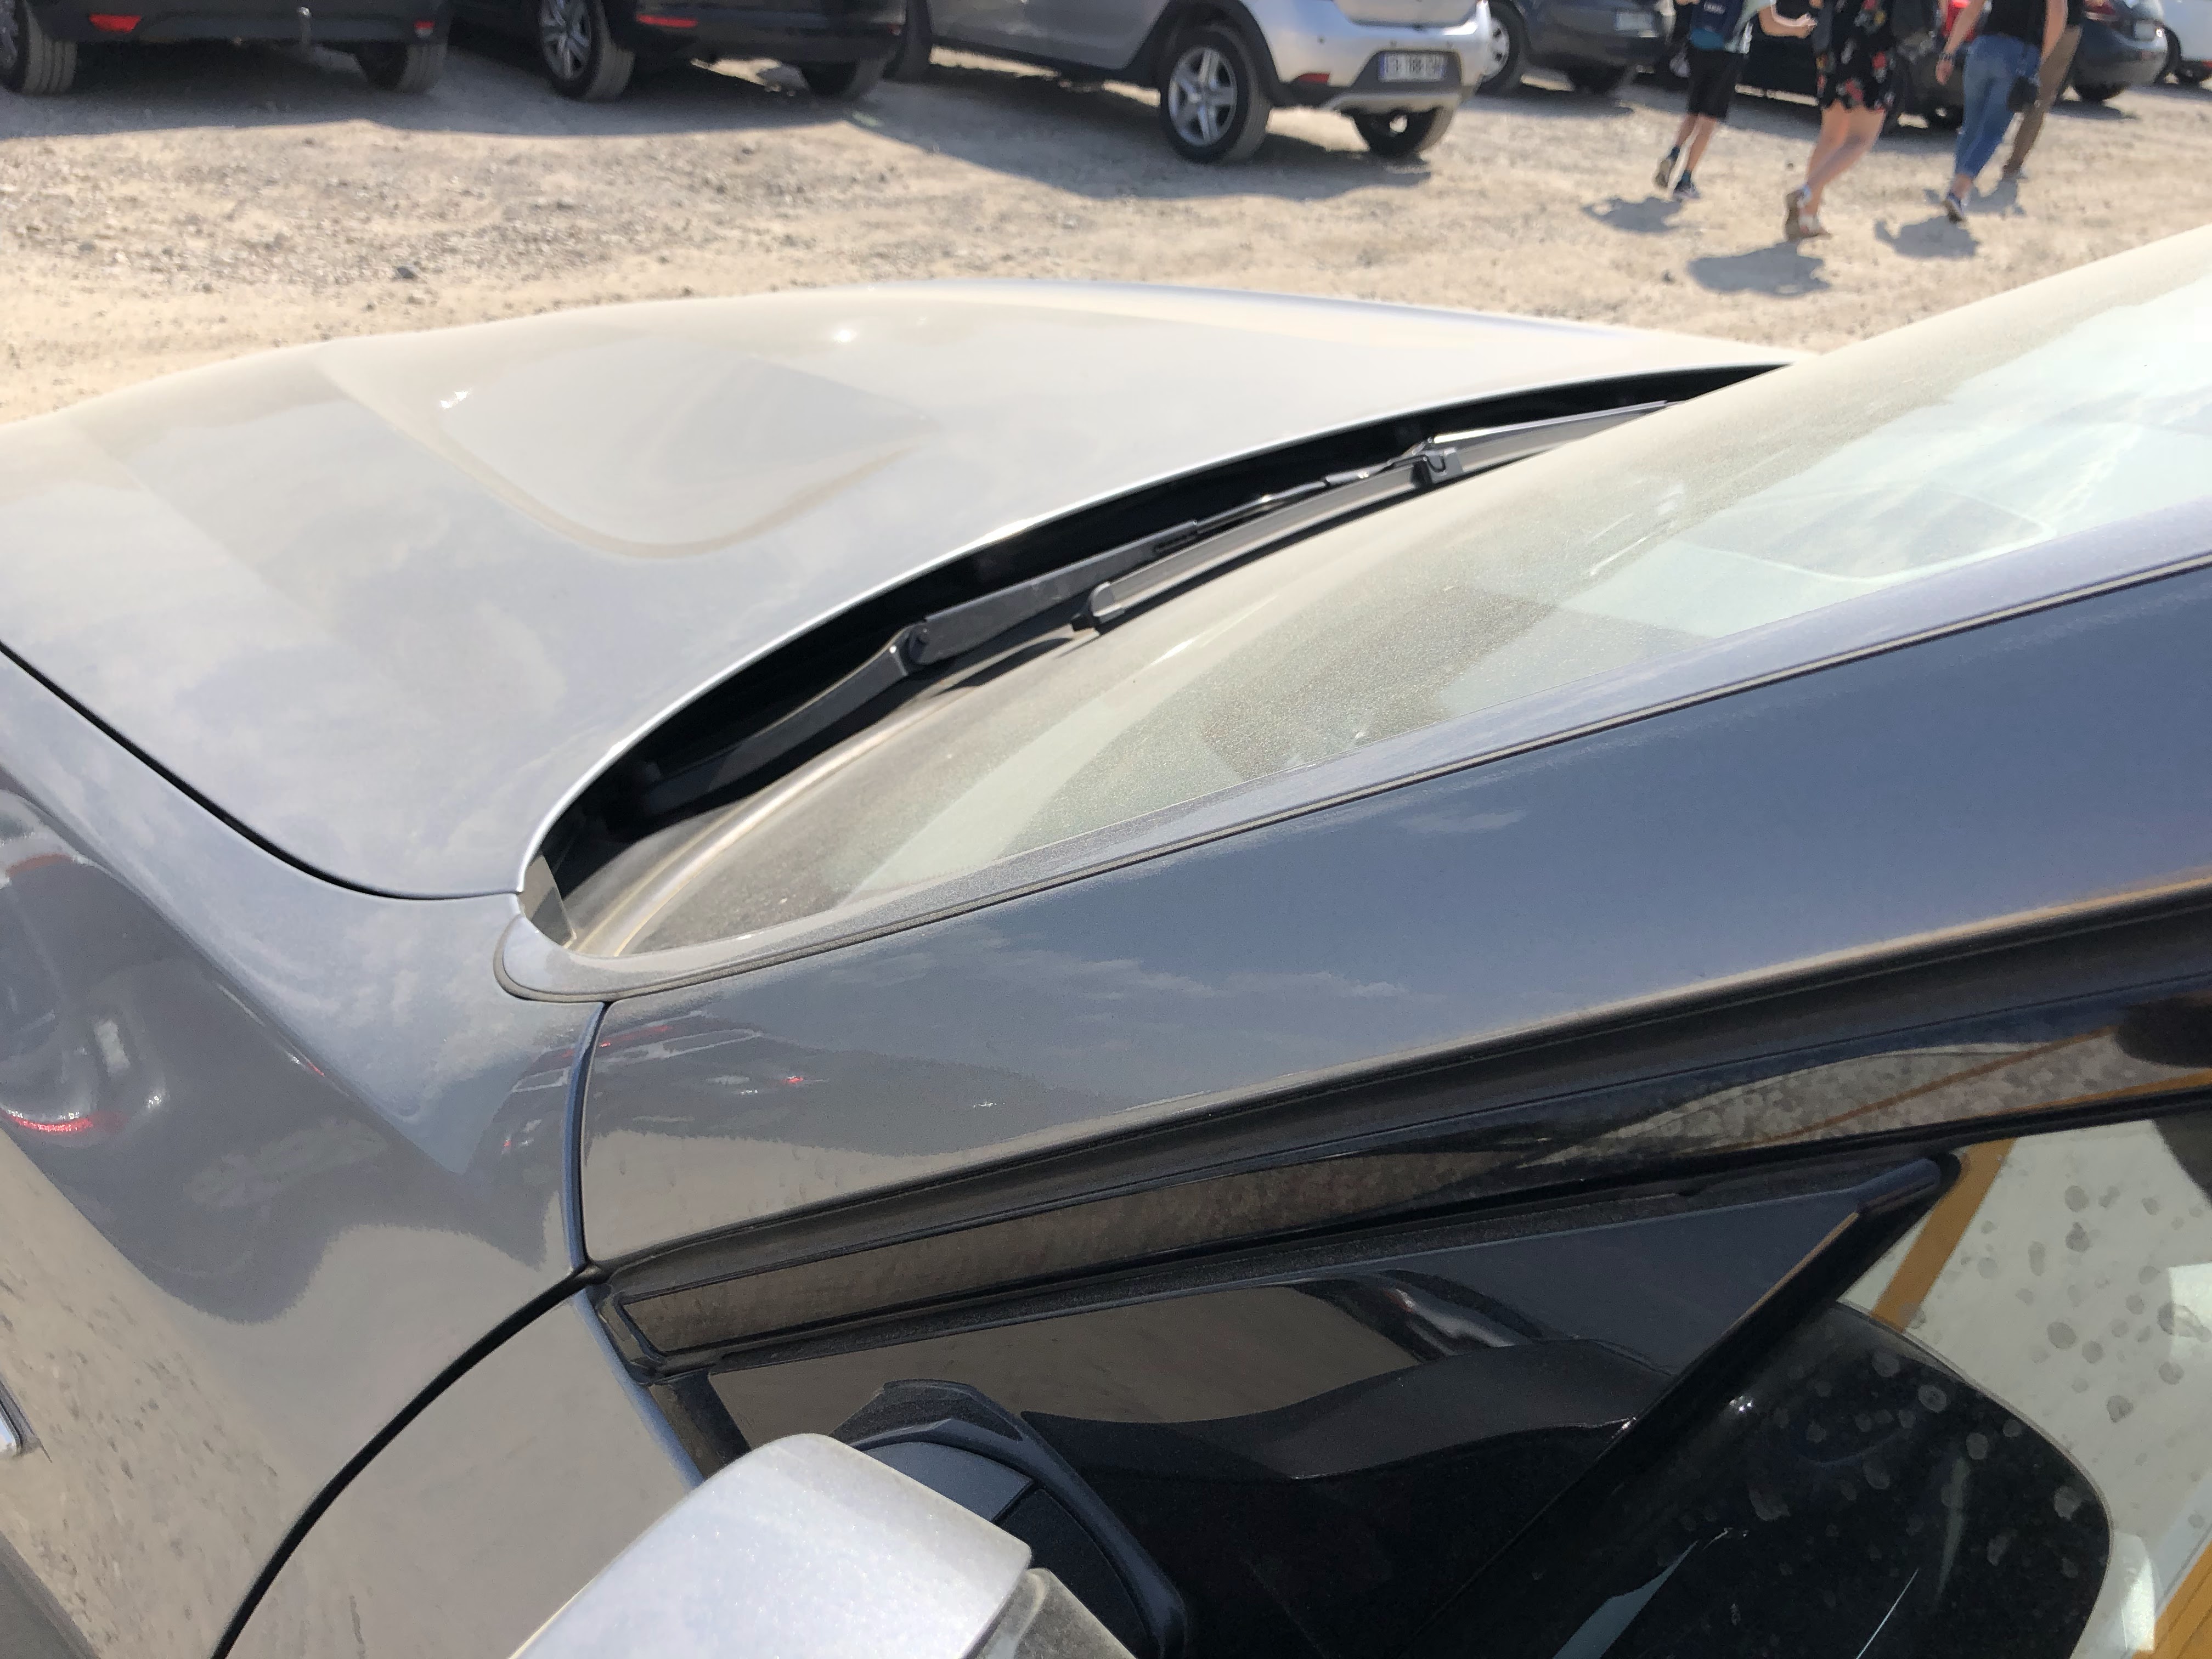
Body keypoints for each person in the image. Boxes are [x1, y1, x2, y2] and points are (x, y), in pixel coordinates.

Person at [1655, 0, 1816, 201]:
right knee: (1709, 120)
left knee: (1693, 111)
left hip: (1697, 46)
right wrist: (1797, 28)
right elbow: (1770, 25)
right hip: (1729, 54)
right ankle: (1685, 181)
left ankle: (1673, 154)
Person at [1936, 0, 2066, 219]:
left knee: (1970, 127)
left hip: (1983, 49)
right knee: (1992, 131)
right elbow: (2058, 15)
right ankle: (1958, 191)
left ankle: (1957, 189)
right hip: (2020, 54)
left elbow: (1973, 10)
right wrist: (2040, 56)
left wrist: (1948, 52)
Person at [1782, 0, 1892, 242]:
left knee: (1831, 136)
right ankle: (1805, 193)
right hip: (1874, 48)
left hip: (1833, 42)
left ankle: (1807, 218)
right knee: (1860, 139)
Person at [2002, 0, 2081, 178]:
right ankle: (2014, 163)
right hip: (2063, 24)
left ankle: (1973, 159)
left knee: (2001, 83)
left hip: (2019, 16)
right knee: (2041, 96)